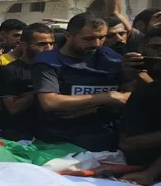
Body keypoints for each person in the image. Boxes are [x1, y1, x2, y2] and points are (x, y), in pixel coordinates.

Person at [33, 13, 131, 151]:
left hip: (107, 140)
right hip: (60, 141)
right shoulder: (49, 62)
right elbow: (50, 102)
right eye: (88, 39)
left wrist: (97, 107)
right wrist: (107, 97)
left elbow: (130, 95)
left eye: (102, 37)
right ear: (68, 35)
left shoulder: (112, 58)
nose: (96, 44)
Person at [0, 23, 56, 140]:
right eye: (41, 44)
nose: (48, 48)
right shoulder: (10, 70)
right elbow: (13, 108)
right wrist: (43, 92)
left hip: (51, 135)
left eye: (51, 43)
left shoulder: (56, 69)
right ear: (24, 45)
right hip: (20, 137)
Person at [118, 27, 161, 185]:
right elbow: (127, 143)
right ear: (142, 49)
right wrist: (132, 76)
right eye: (156, 47)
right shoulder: (146, 92)